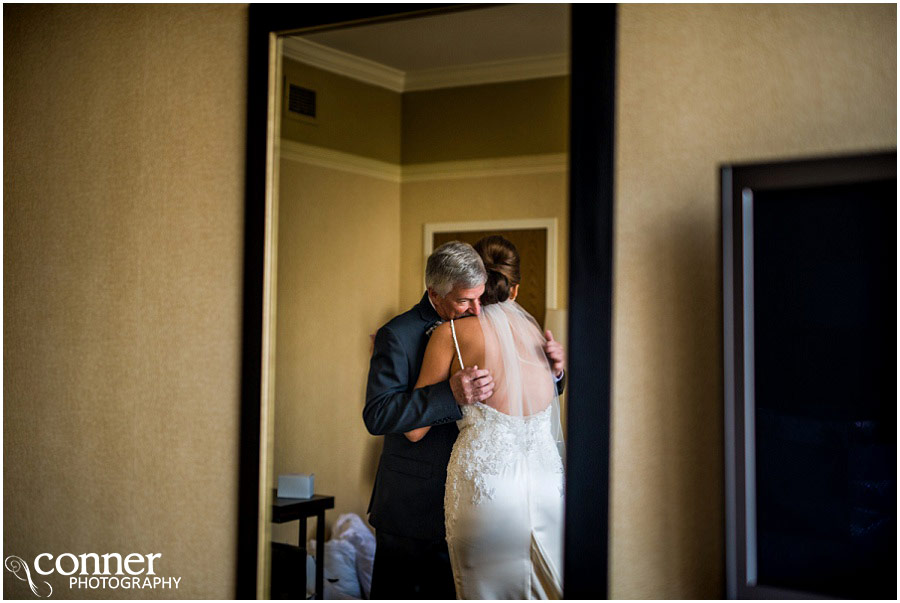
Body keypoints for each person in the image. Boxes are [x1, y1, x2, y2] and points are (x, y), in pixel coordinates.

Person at [405, 235, 567, 599]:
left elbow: (414, 431)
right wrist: (558, 374)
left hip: (487, 487)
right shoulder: (535, 334)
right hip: (546, 487)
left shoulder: (451, 334)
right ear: (515, 288)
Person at [363, 241, 496, 599]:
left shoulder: (483, 326)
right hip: (410, 506)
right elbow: (378, 415)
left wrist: (557, 372)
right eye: (465, 300)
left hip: (466, 500)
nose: (477, 308)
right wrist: (447, 395)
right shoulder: (398, 334)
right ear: (435, 295)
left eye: (479, 296)